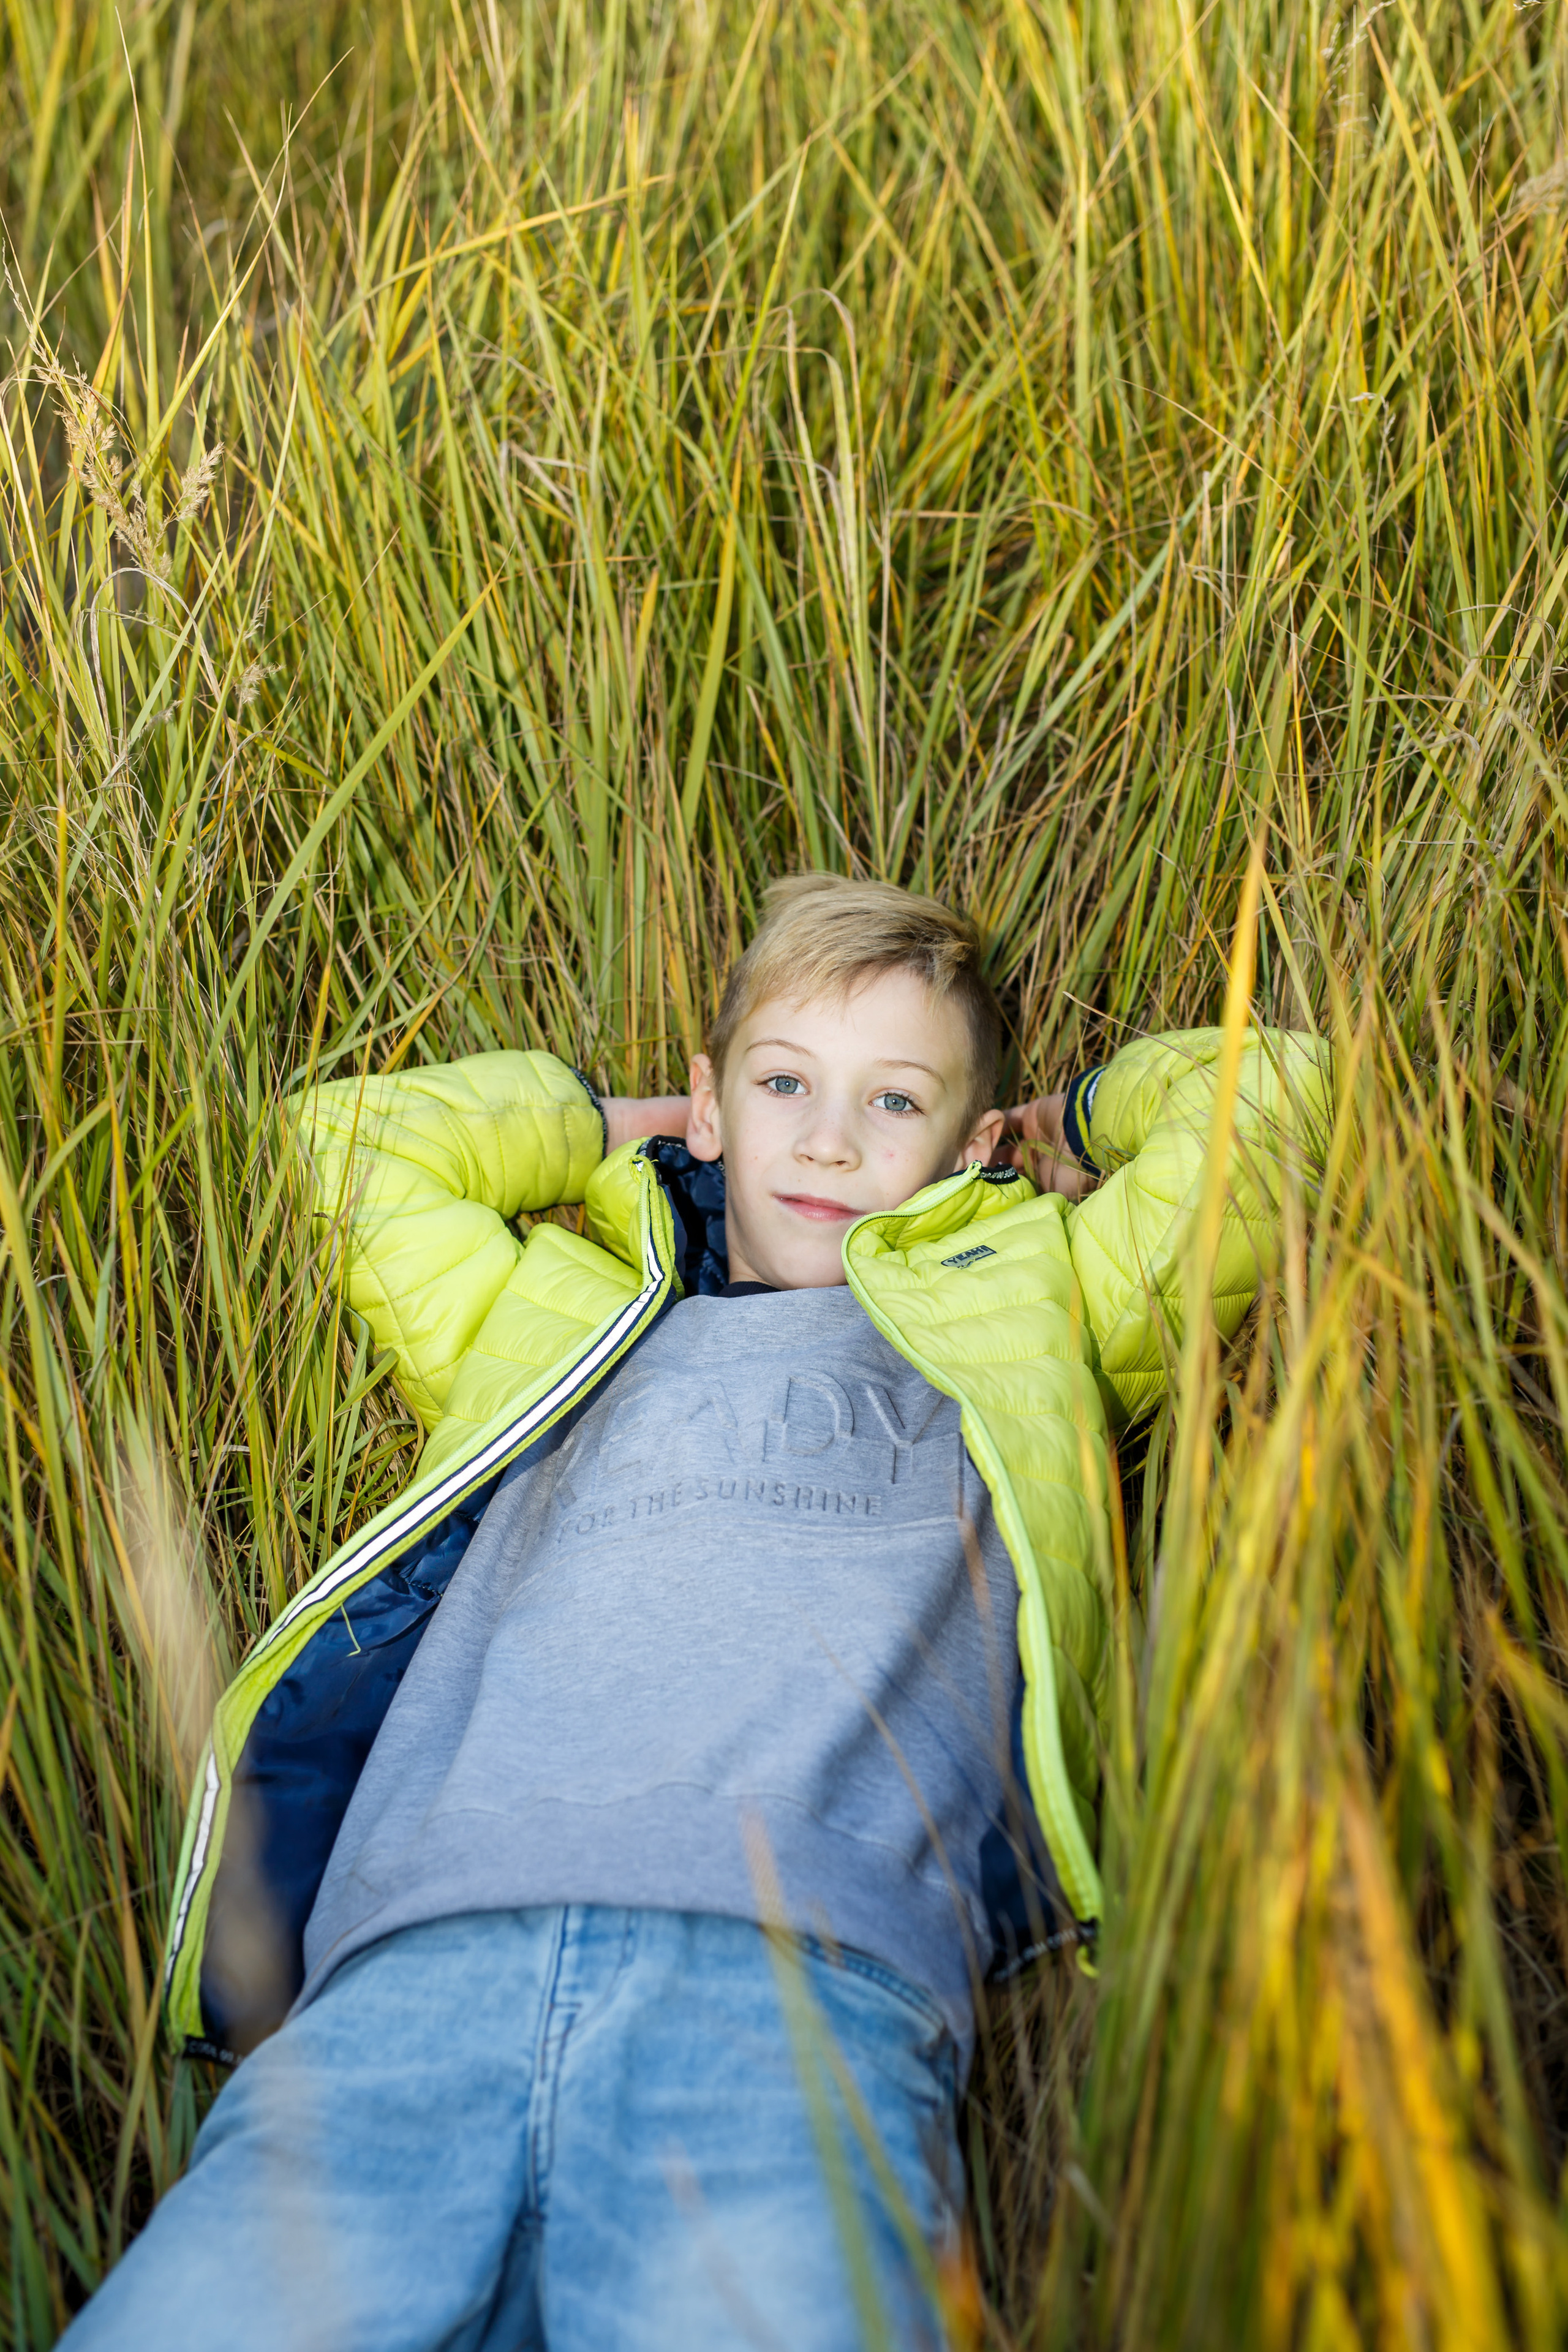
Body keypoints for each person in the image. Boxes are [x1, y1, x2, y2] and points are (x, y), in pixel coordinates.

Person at [64, 873, 1327, 2351]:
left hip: (792, 1999)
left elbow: (1285, 1101)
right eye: (783, 1083)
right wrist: (637, 1124)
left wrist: (1063, 1129)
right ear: (713, 1109)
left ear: (969, 1142)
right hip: (411, 1981)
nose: (830, 1138)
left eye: (895, 1102)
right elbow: (349, 1138)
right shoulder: (552, 1311)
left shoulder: (1031, 1311)